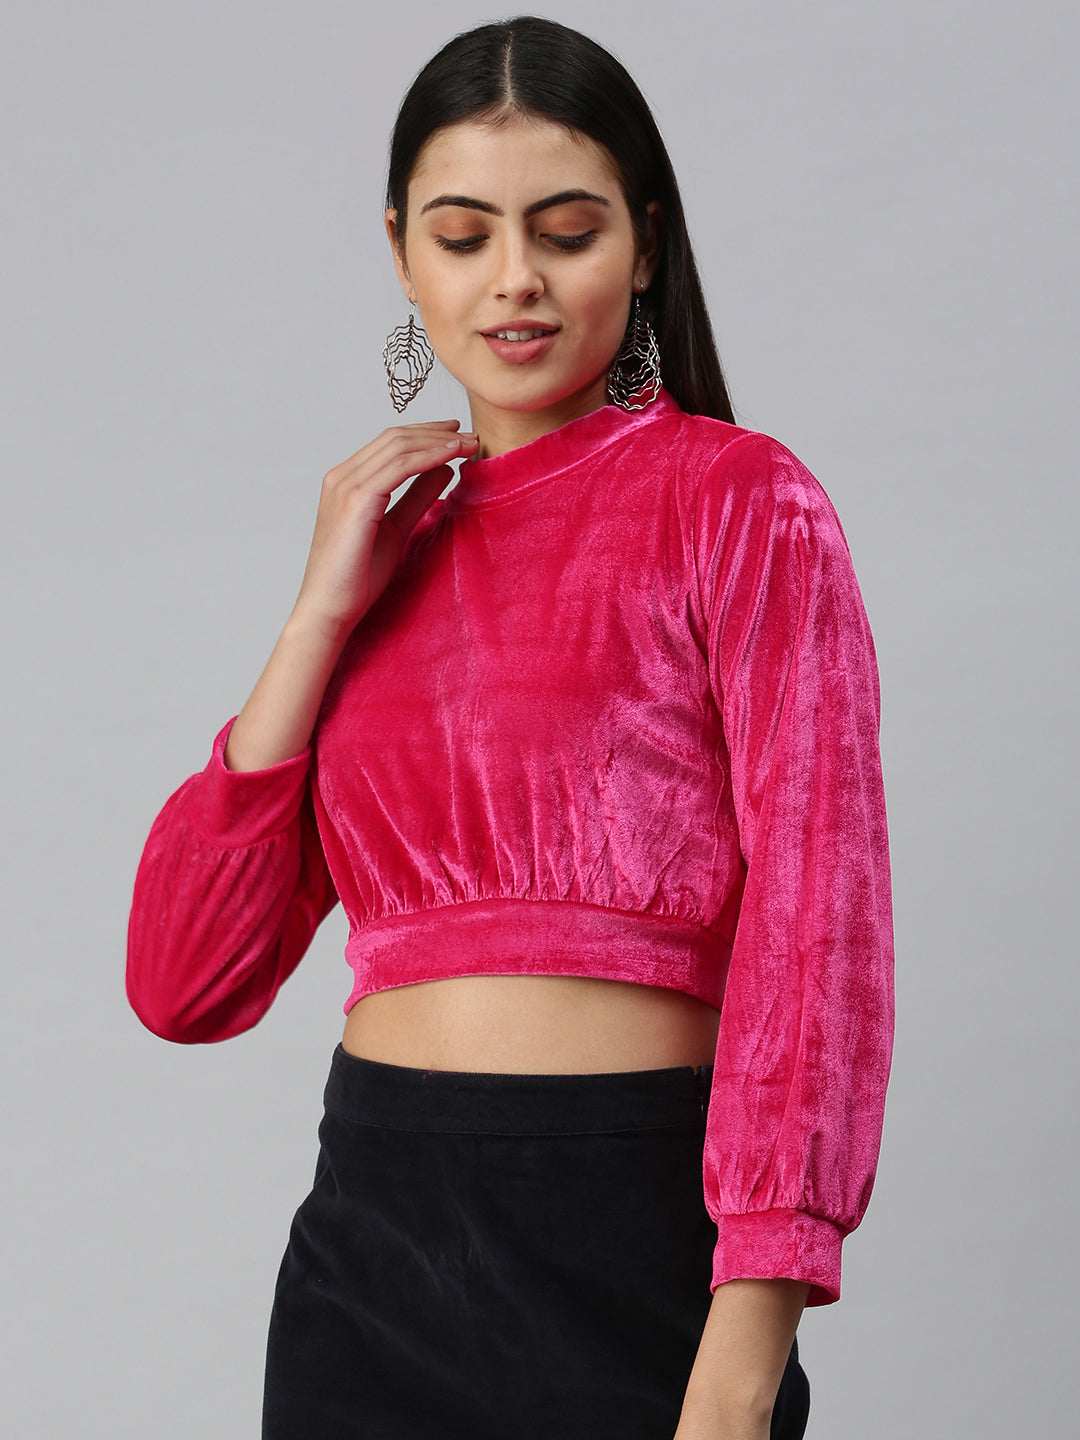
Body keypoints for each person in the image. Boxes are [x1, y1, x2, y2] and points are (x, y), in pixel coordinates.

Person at [126, 16, 893, 1440]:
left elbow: (819, 925)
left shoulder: (740, 501)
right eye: (464, 235)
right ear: (402, 253)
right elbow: (185, 983)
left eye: (567, 230)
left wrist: (745, 1349)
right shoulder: (383, 558)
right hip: (371, 1250)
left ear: (645, 244)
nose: (515, 278)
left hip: (632, 1243)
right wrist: (315, 615)